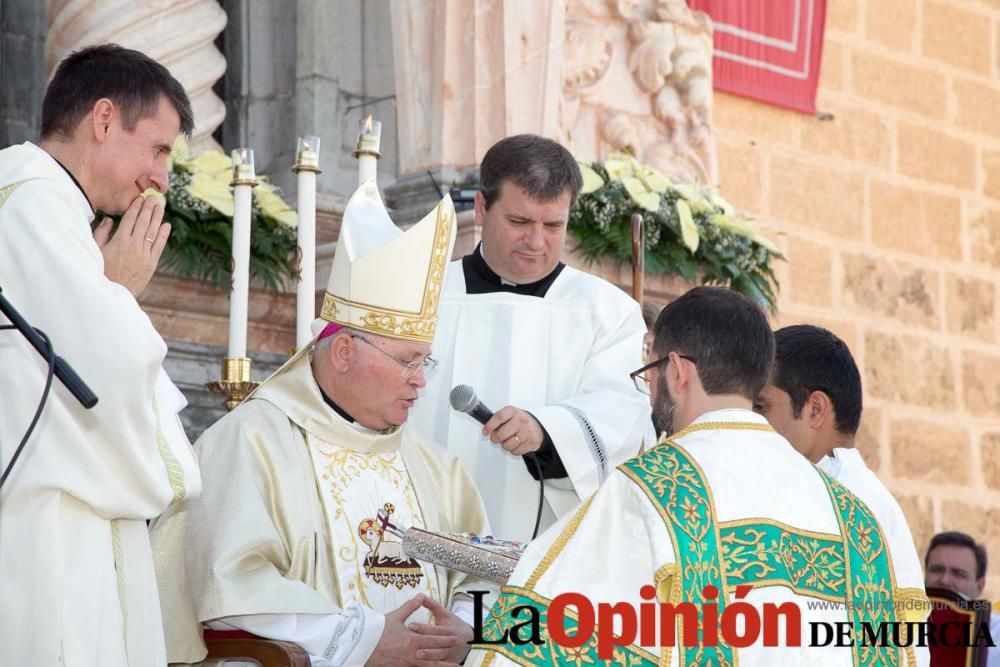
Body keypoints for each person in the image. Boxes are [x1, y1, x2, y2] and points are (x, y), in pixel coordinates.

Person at [467, 287, 929, 666]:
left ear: (677, 371)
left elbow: (541, 642)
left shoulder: (658, 488)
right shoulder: (852, 514)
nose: (648, 392)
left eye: (648, 374)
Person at [152, 181, 495, 666]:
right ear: (344, 351)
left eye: (426, 362)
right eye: (407, 361)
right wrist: (363, 639)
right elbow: (230, 584)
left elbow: (483, 573)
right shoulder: (252, 442)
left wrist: (466, 625)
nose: (420, 381)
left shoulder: (433, 468)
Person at [0, 44, 201, 666]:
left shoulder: (39, 203)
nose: (162, 178)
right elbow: (103, 378)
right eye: (159, 149)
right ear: (105, 119)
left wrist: (107, 294)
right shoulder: (33, 205)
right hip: (45, 529)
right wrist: (118, 297)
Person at [409, 134, 651, 541]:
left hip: (544, 552)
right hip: (419, 527)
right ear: (482, 209)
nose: (536, 242)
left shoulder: (607, 312)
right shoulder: (422, 293)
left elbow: (624, 417)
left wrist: (548, 430)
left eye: (553, 225)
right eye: (520, 222)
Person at [753, 324, 926, 612]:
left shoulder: (843, 507)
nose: (750, 421)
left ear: (815, 409)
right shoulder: (822, 493)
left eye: (761, 406)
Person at [924, 531, 1000, 666]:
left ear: (980, 586)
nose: (945, 580)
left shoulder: (997, 633)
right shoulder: (898, 621)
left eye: (959, 574)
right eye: (937, 569)